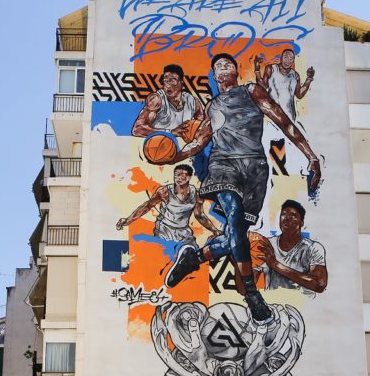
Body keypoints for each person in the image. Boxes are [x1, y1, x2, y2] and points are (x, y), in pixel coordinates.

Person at [163, 53, 323, 324]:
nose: (223, 68)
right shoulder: (212, 106)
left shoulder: (251, 91)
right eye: (218, 66)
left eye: (227, 64)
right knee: (235, 218)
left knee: (234, 237)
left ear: (236, 70)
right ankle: (251, 294)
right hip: (224, 166)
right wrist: (172, 156)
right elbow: (199, 142)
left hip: (255, 170)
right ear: (215, 76)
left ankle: (193, 258)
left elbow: (283, 120)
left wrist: (311, 156)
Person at [115, 164, 218, 247]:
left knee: (192, 258)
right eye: (177, 175)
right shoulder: (164, 192)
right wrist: (128, 220)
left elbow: (199, 215)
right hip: (164, 229)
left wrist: (215, 230)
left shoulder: (196, 194)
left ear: (189, 177)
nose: (179, 178)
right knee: (164, 257)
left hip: (183, 231)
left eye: (182, 175)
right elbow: (147, 206)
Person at [254, 200, 327, 294]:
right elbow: (248, 285)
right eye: (283, 214)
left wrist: (276, 265)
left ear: (301, 222)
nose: (286, 218)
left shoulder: (313, 248)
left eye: (293, 215)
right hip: (273, 301)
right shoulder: (266, 244)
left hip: (301, 302)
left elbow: (319, 284)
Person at [132, 63, 202, 138]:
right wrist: (170, 132)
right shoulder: (156, 100)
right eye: (166, 81)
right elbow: (137, 129)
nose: (168, 85)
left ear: (181, 84)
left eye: (172, 81)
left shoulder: (193, 102)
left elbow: (204, 128)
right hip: (158, 143)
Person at [255, 48, 314, 122]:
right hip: (272, 116)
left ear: (293, 61)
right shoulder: (271, 69)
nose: (287, 61)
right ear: (281, 58)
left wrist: (309, 79)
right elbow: (262, 86)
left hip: (290, 117)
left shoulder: (295, 75)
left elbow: (299, 95)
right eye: (285, 57)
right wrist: (257, 69)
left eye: (291, 59)